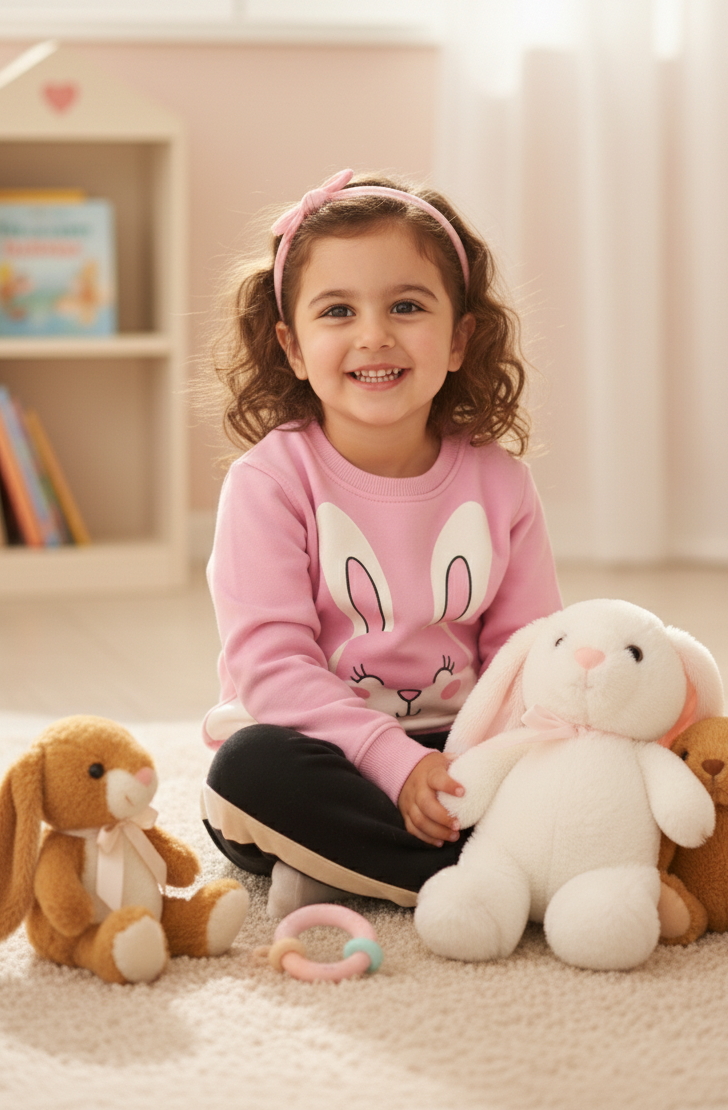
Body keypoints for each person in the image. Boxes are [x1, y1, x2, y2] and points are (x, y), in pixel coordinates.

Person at [200, 168, 562, 920]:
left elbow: (526, 657)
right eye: (337, 311)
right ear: (292, 346)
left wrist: (474, 764)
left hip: (458, 751)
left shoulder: (500, 483)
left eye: (406, 305)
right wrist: (391, 766)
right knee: (246, 769)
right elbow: (271, 669)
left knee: (587, 751)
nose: (374, 335)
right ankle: (497, 878)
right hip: (318, 751)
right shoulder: (269, 481)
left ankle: (365, 868)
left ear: (460, 337)